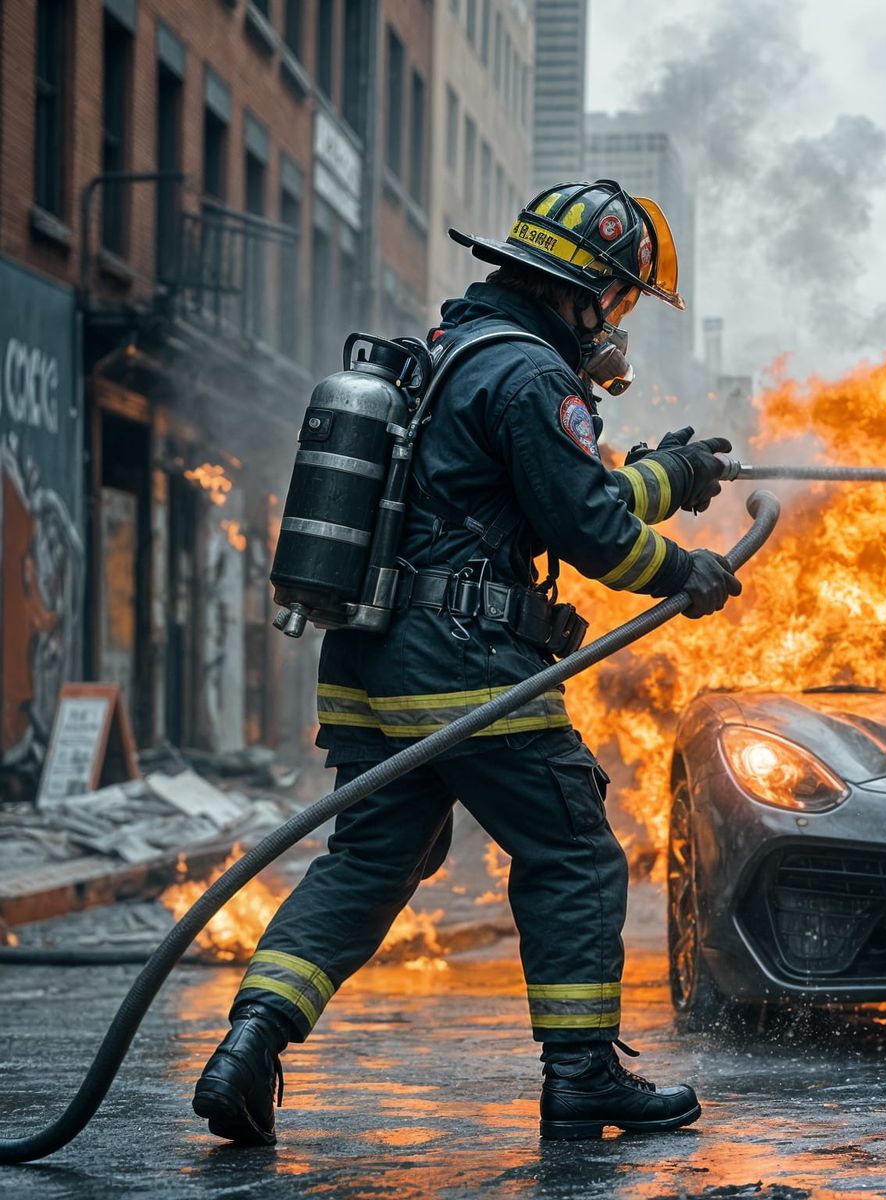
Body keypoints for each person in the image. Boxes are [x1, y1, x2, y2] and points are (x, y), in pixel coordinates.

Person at [193, 180, 736, 1144]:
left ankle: (247, 1048)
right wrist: (684, 569)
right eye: (616, 302)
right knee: (571, 850)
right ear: (578, 290)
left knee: (370, 861)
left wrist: (670, 474)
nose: (616, 325)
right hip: (467, 661)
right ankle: (581, 1076)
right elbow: (595, 532)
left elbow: (541, 495)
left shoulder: (451, 355)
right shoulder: (532, 376)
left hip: (370, 664)